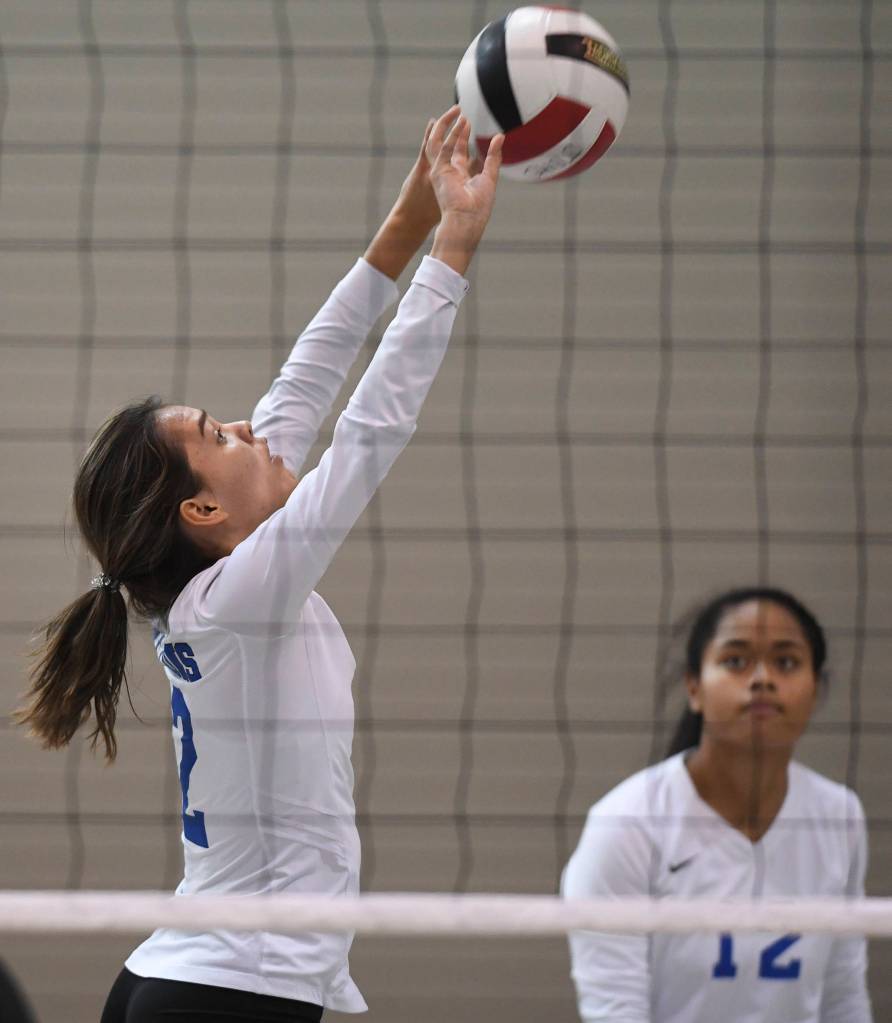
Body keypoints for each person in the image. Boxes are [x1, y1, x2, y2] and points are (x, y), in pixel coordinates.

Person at [15, 108, 504, 1022]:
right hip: (229, 991)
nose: (250, 425)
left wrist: (413, 219)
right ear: (201, 509)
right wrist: (455, 253)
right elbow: (367, 435)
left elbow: (310, 374)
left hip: (198, 977)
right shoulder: (243, 594)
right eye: (219, 434)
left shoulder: (214, 586)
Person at [561, 587, 872, 1023]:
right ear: (694, 687)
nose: (762, 679)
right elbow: (616, 1012)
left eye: (786, 662)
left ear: (815, 689)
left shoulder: (838, 816)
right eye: (735, 661)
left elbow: (844, 996)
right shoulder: (628, 823)